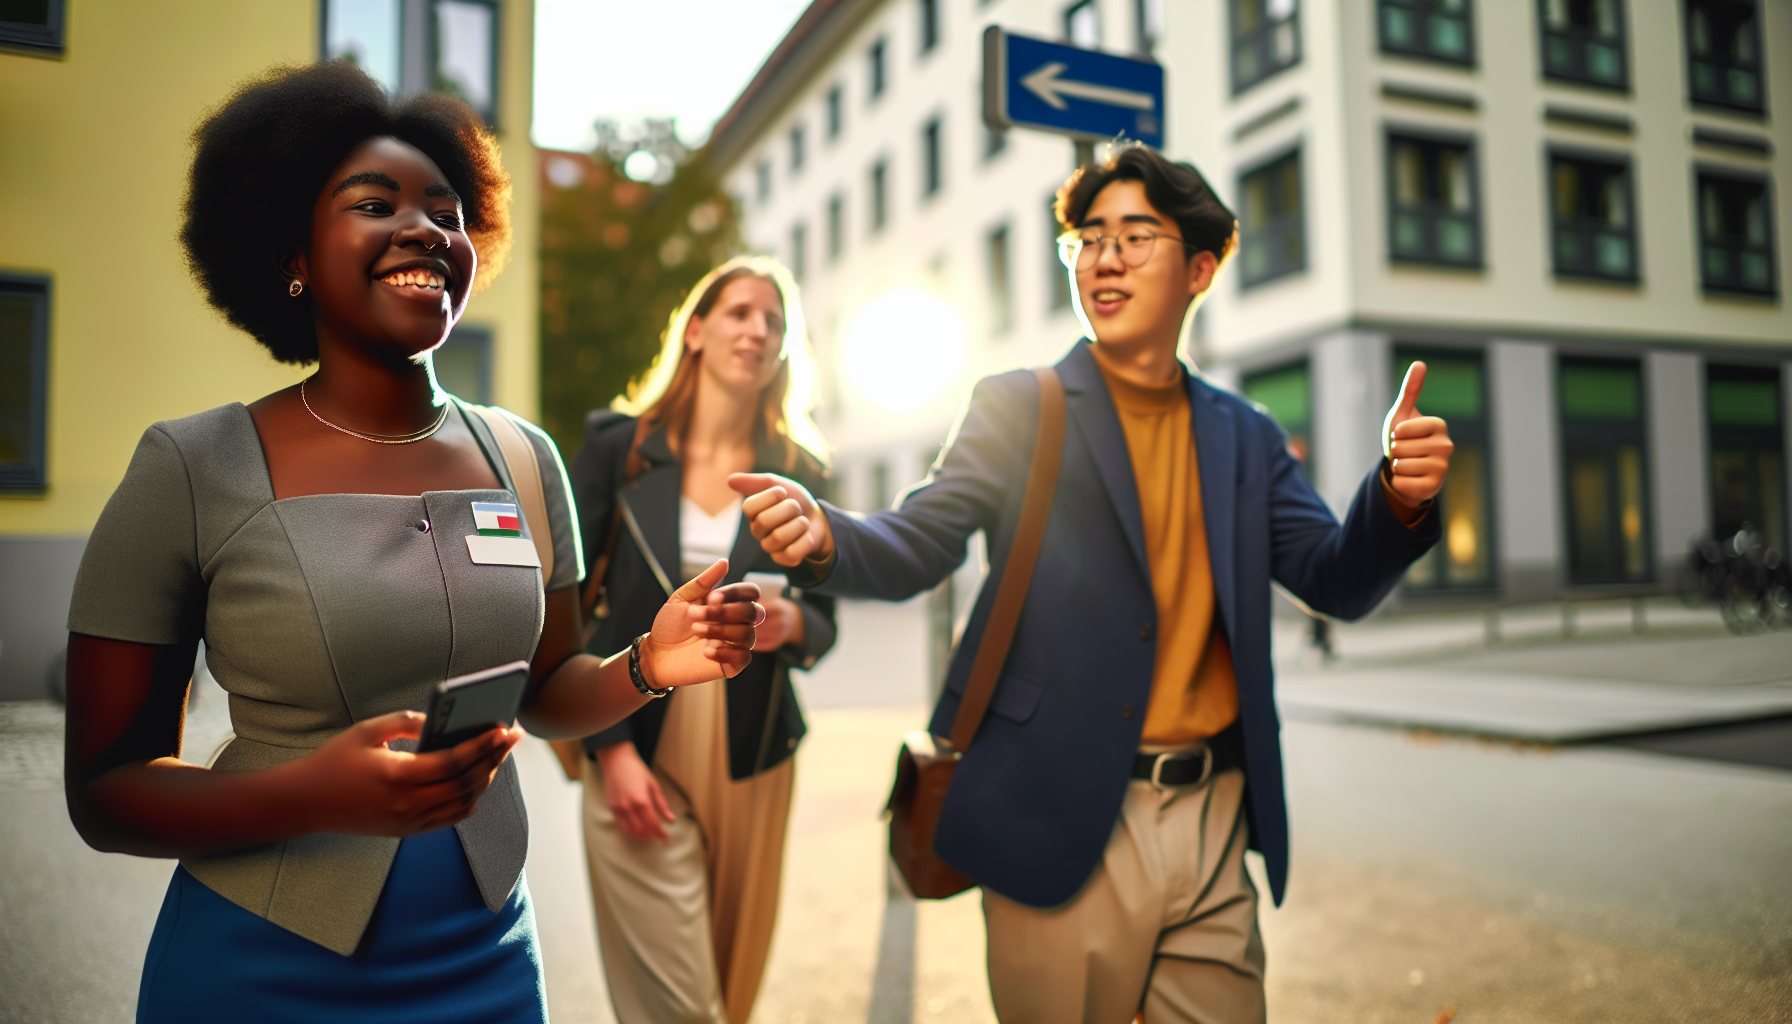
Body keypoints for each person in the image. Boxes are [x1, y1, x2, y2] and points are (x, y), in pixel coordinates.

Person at [61, 63, 761, 1024]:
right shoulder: (192, 467)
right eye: (373, 203)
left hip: (488, 965)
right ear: (293, 253)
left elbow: (546, 694)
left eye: (446, 211)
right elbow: (105, 793)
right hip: (260, 971)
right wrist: (311, 795)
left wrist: (648, 664)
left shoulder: (523, 457)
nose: (426, 229)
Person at [731, 142, 1454, 1023]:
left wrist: (1397, 498)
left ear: (1199, 269)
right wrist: (826, 536)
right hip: (1057, 814)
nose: (1105, 259)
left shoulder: (1247, 435)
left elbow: (1332, 578)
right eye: (1089, 239)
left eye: (1136, 237)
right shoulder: (1020, 406)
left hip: (1214, 821)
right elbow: (921, 539)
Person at [568, 256, 836, 1024]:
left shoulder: (801, 471)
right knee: (682, 1007)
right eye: (740, 312)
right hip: (636, 736)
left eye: (774, 321)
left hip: (755, 752)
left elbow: (826, 619)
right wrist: (610, 751)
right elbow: (571, 610)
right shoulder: (617, 448)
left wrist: (794, 625)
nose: (758, 330)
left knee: (730, 987)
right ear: (695, 331)